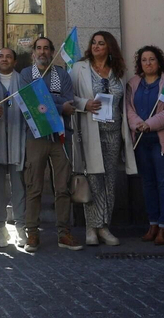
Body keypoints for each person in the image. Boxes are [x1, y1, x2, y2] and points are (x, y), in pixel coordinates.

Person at [70, 30, 130, 247]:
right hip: (90, 131)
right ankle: (91, 228)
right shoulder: (80, 68)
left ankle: (104, 226)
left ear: (109, 47)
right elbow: (69, 97)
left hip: (113, 132)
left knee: (109, 180)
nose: (96, 46)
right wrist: (84, 104)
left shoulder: (119, 71)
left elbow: (123, 101)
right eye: (94, 42)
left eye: (101, 43)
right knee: (94, 179)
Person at [20, 35, 79, 252]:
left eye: (46, 48)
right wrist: (59, 105)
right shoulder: (26, 75)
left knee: (63, 186)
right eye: (39, 48)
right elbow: (29, 102)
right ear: (33, 52)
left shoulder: (62, 75)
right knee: (34, 186)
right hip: (36, 136)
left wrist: (45, 100)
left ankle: (64, 232)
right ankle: (32, 233)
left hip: (60, 136)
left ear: (52, 52)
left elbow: (70, 101)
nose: (42, 52)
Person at [128, 45, 164, 245]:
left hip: (163, 141)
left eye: (152, 59)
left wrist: (149, 124)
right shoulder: (133, 83)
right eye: (144, 60)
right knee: (148, 183)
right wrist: (137, 124)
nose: (148, 63)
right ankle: (152, 224)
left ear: (159, 62)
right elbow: (128, 109)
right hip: (141, 142)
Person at [0, 47, 27, 248]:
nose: (4, 59)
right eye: (1, 56)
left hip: (17, 140)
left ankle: (20, 227)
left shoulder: (23, 81)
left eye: (8, 56)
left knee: (19, 186)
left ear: (15, 61)